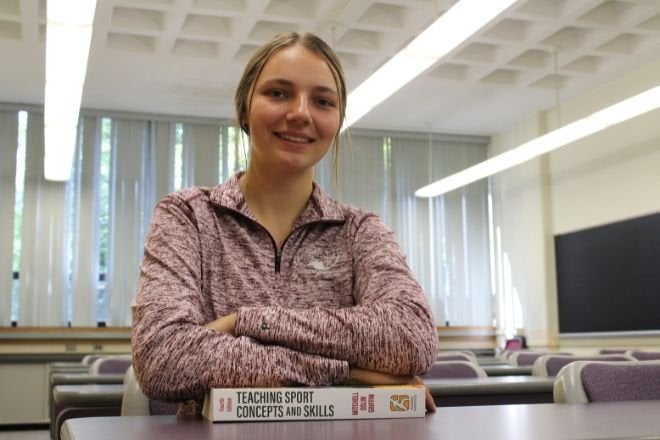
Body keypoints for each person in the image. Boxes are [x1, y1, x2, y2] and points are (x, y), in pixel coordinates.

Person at [131, 31, 438, 418]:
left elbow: (412, 336)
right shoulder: (188, 217)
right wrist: (351, 372)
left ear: (337, 121)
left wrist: (244, 322)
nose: (300, 113)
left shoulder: (360, 230)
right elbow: (163, 357)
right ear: (245, 108)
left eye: (323, 101)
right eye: (278, 93)